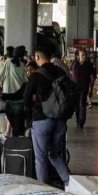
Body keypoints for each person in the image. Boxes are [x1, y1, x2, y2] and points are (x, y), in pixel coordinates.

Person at [24, 39, 72, 187]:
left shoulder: (36, 75)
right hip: (60, 120)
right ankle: (70, 183)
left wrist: (28, 121)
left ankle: (43, 189)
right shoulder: (61, 71)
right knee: (56, 154)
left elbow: (26, 99)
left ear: (37, 57)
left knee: (41, 158)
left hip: (41, 121)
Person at [0, 46, 28, 136]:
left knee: (13, 121)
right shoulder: (23, 65)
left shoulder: (7, 63)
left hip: (9, 98)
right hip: (20, 98)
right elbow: (25, 81)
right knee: (19, 125)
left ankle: (13, 139)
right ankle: (17, 138)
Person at [70, 48, 96, 130]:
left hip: (84, 88)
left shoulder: (88, 65)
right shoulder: (74, 64)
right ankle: (78, 121)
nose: (84, 56)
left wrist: (91, 89)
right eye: (83, 55)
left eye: (85, 55)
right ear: (78, 56)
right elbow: (72, 77)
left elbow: (92, 77)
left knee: (82, 104)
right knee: (77, 106)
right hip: (75, 89)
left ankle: (81, 122)